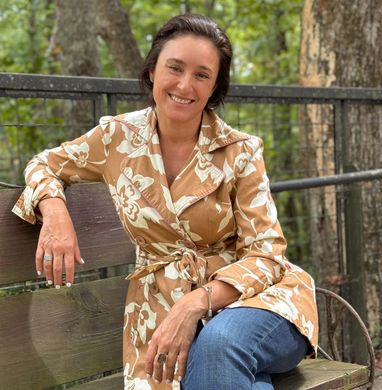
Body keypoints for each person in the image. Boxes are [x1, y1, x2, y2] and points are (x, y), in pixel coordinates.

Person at [12, 13, 318, 390]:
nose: (185, 85)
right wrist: (55, 210)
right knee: (223, 374)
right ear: (153, 71)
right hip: (157, 307)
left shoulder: (240, 152)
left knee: (218, 344)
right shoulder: (116, 138)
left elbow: (268, 254)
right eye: (175, 68)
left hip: (258, 304)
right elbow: (43, 164)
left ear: (213, 88)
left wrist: (193, 306)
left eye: (202, 75)